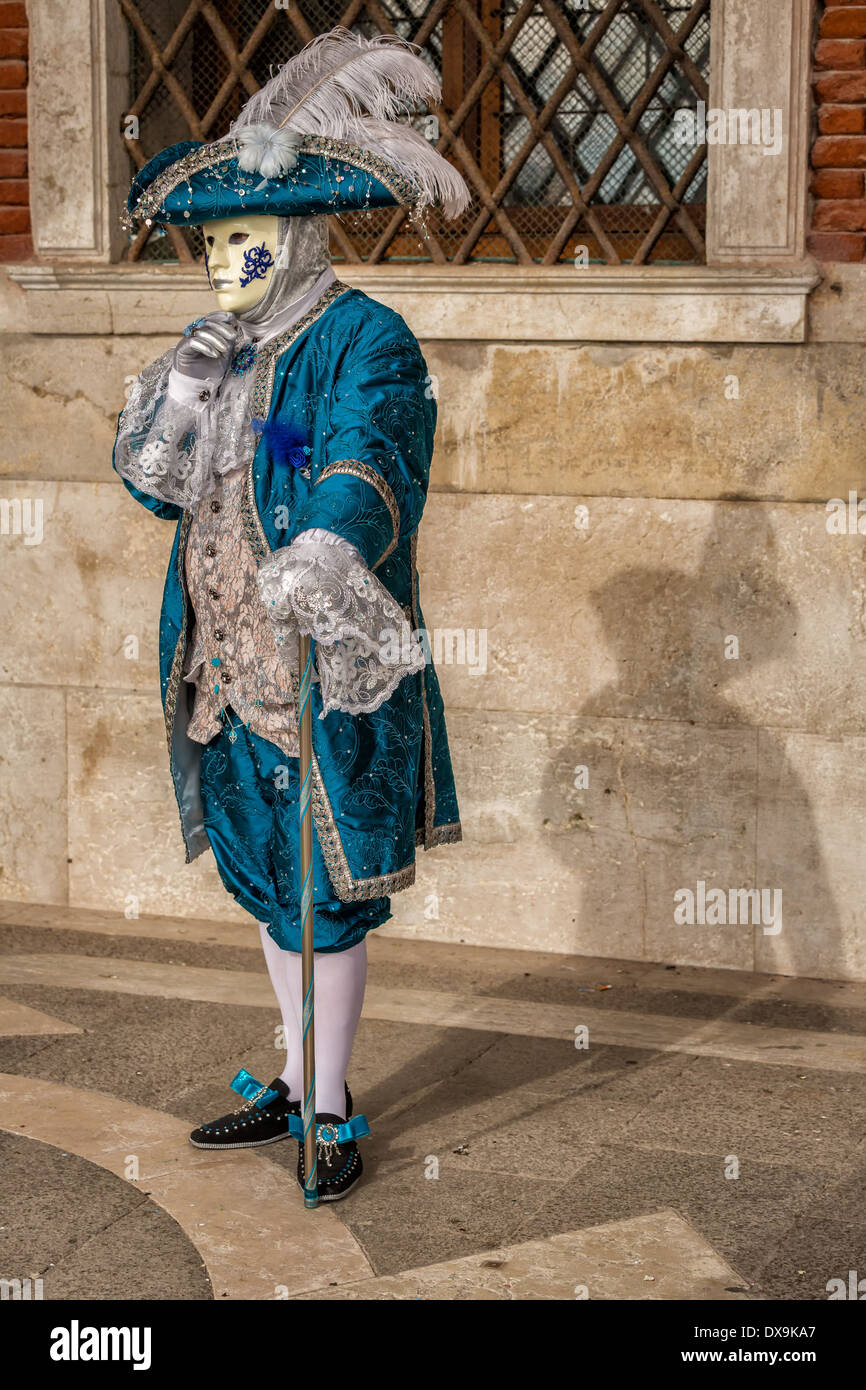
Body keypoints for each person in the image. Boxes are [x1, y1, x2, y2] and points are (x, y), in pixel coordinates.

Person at [113, 28, 468, 1202]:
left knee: (327, 889)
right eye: (210, 243)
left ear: (300, 233)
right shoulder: (221, 347)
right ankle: (294, 1068)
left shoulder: (363, 335)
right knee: (271, 880)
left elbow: (364, 453)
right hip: (223, 666)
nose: (222, 261)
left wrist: (320, 547)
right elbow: (161, 481)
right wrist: (184, 393)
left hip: (318, 660)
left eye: (243, 240)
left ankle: (327, 1100)